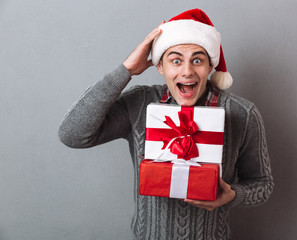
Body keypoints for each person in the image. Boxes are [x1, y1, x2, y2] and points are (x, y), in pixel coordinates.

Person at [58, 8, 274, 240]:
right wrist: (126, 70)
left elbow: (262, 185)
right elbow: (72, 134)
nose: (187, 71)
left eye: (198, 60)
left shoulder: (243, 113)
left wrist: (231, 195)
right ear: (160, 67)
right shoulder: (140, 103)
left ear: (211, 67)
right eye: (176, 60)